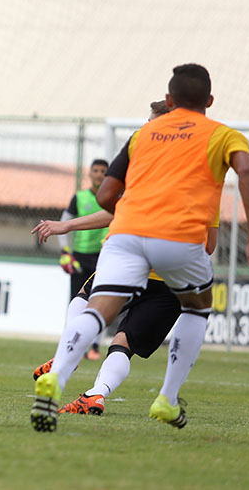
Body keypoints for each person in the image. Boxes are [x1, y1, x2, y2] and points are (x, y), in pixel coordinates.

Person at [31, 64, 249, 433]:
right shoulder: (224, 136)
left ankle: (60, 373)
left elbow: (107, 195)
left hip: (125, 236)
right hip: (176, 242)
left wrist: (131, 212)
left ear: (169, 99)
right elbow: (248, 176)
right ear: (209, 100)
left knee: (97, 309)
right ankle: (167, 398)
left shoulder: (142, 137)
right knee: (198, 307)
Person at [31, 101, 220, 415]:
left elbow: (111, 206)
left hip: (130, 261)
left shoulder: (144, 165)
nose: (146, 128)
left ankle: (68, 358)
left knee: (88, 302)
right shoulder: (207, 177)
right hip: (174, 278)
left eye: (152, 123)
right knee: (123, 342)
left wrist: (68, 225)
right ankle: (99, 394)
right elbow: (209, 246)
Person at [56, 158, 109, 360]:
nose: (98, 174)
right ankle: (69, 344)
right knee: (76, 301)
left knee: (101, 302)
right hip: (79, 258)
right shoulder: (79, 197)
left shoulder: (112, 197)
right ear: (89, 174)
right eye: (95, 170)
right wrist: (65, 252)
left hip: (103, 257)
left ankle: (94, 346)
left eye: (103, 171)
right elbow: (64, 222)